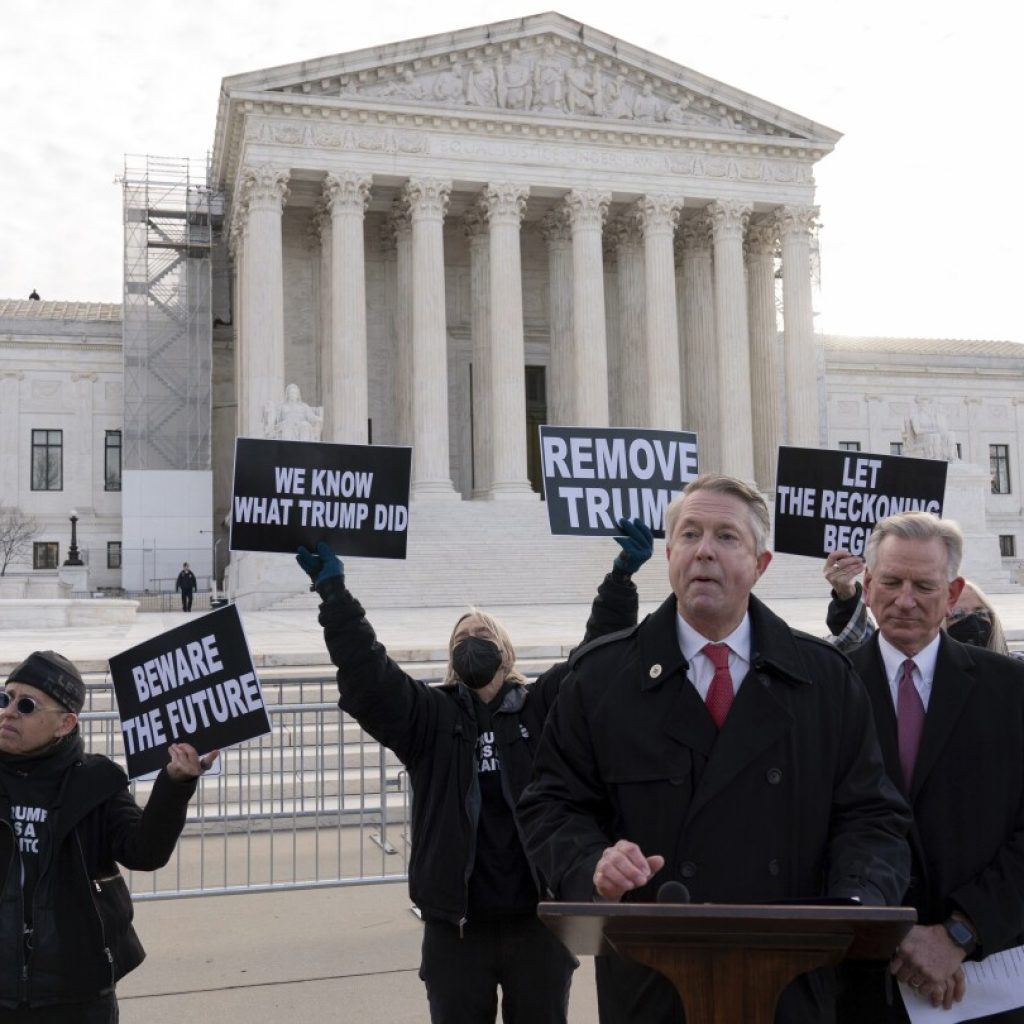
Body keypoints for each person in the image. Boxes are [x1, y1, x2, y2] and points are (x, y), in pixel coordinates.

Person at [517, 474, 912, 1024]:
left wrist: (854, 905)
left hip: (792, 982)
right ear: (671, 553)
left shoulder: (825, 681)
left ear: (761, 563)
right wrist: (592, 865)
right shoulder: (600, 679)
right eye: (689, 534)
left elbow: (872, 816)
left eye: (726, 537)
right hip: (653, 985)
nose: (704, 550)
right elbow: (551, 805)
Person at [296, 519, 655, 1024]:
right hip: (455, 929)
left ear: (505, 653)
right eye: (461, 637)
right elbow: (368, 674)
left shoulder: (542, 708)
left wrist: (619, 581)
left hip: (539, 922)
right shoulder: (430, 718)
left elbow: (592, 664)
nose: (471, 639)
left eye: (481, 634)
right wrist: (332, 592)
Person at [836, 512, 1024, 1022]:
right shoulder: (824, 690)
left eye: (924, 585)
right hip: (861, 982)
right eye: (892, 582)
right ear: (868, 586)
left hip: (988, 983)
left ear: (953, 590)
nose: (905, 600)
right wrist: (891, 935)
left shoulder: (1010, 690)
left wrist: (962, 933)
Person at [0, 650, 217, 1021]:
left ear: (66, 724)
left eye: (27, 705)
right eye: (5, 698)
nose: (8, 712)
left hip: (77, 992)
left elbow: (144, 852)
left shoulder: (95, 781)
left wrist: (176, 784)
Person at [824, 549, 1023, 660]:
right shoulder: (914, 677)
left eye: (981, 613)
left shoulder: (1015, 669)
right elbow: (858, 642)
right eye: (958, 615)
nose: (973, 621)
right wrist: (847, 597)